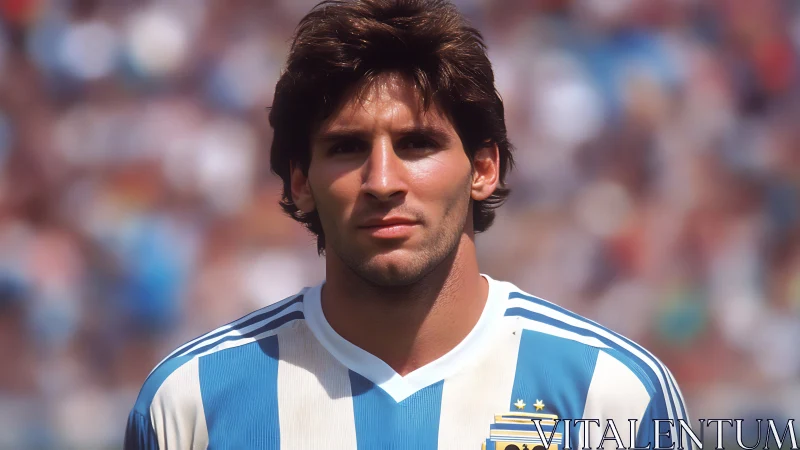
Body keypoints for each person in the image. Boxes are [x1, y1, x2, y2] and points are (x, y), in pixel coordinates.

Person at [125, 0, 691, 448]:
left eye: (417, 144)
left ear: (484, 168)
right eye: (346, 148)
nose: (383, 180)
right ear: (301, 182)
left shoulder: (612, 394)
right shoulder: (190, 403)